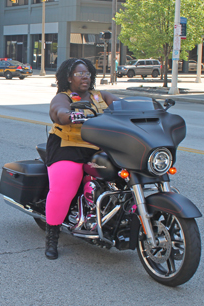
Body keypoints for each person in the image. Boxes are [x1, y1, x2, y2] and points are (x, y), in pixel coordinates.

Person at [44, 58, 119, 260]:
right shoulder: (64, 97)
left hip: (99, 145)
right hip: (69, 146)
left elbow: (122, 105)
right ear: (69, 78)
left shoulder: (100, 96)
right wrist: (67, 115)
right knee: (63, 187)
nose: (85, 77)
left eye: (87, 73)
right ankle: (52, 236)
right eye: (79, 74)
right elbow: (57, 110)